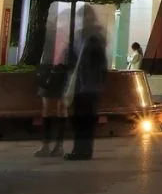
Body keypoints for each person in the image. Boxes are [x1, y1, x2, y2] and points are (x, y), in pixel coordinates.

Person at [63, 23, 109, 161]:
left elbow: (100, 67)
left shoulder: (92, 44)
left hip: (87, 89)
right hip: (85, 88)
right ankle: (82, 149)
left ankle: (81, 150)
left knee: (83, 121)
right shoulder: (83, 44)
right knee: (82, 121)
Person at [34, 53, 70, 158]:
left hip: (61, 68)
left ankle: (55, 145)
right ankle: (49, 145)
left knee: (59, 107)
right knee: (50, 108)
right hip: (50, 68)